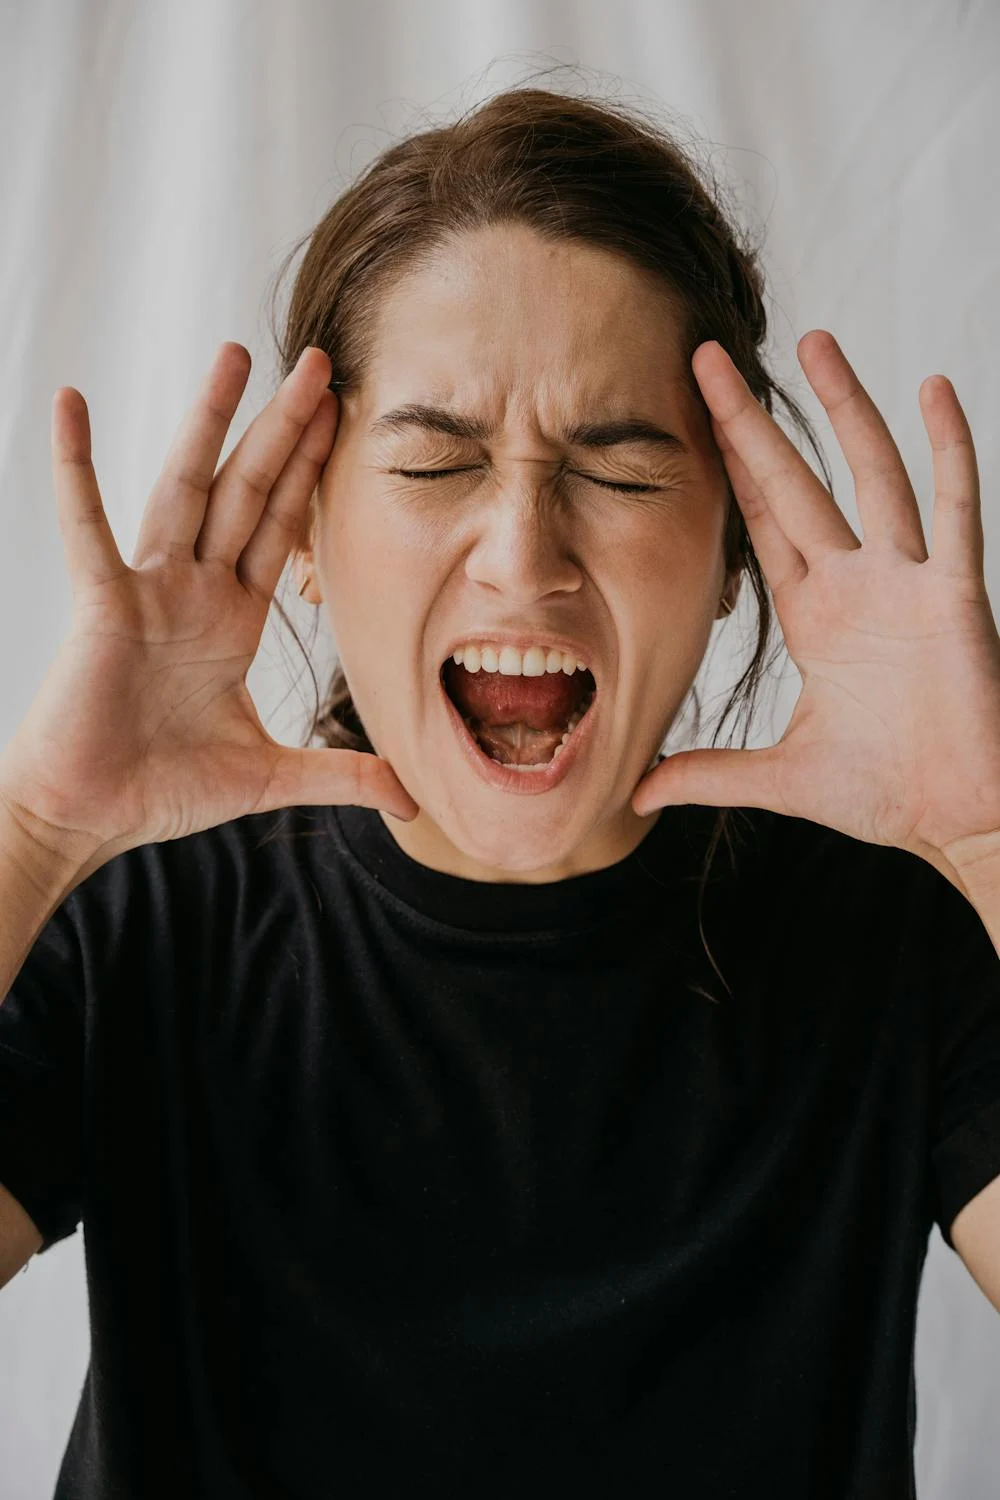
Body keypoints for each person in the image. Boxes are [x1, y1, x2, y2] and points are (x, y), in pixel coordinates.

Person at [0, 82, 998, 1500]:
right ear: (301, 535)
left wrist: (992, 834)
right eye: (433, 462)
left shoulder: (891, 938)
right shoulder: (137, 924)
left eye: (621, 465)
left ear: (734, 554)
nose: (523, 556)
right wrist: (35, 838)